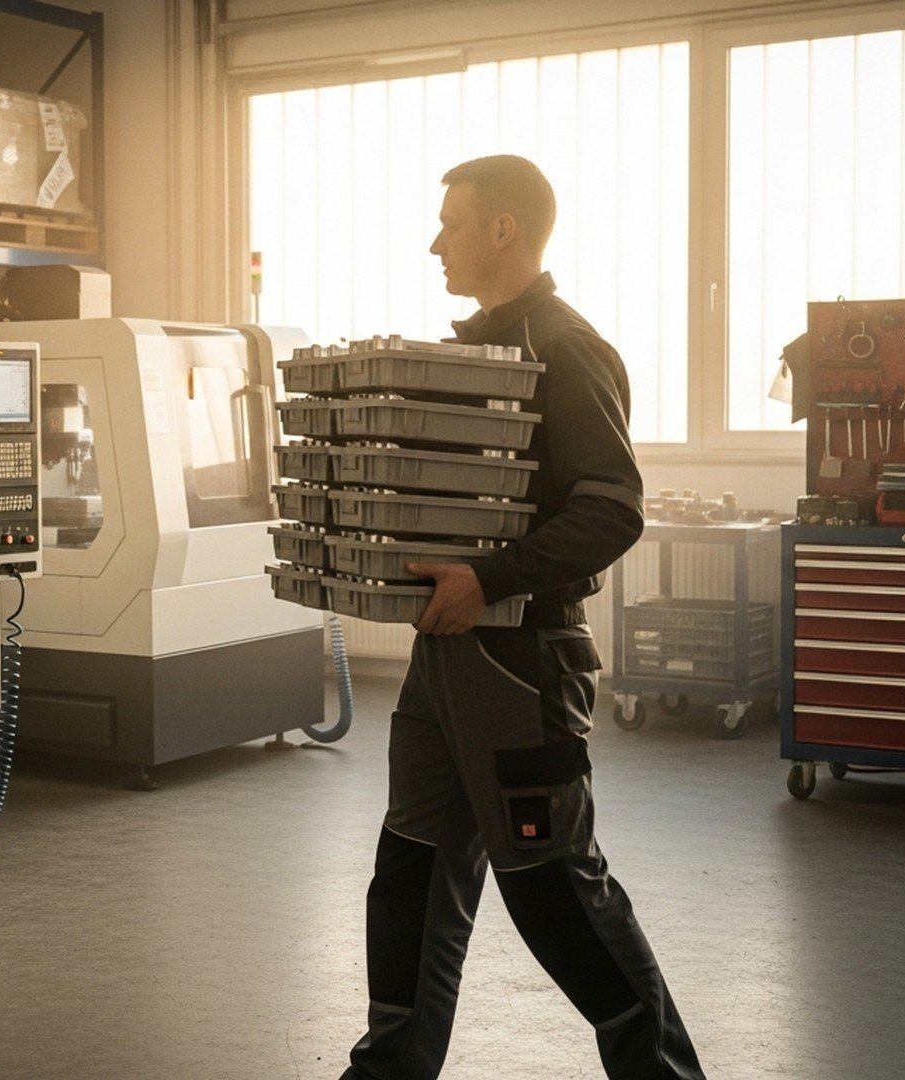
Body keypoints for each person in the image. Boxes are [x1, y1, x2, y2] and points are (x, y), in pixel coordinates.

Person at [340, 155, 704, 1080]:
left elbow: (613, 506)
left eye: (451, 223)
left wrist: (489, 576)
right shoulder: (480, 351)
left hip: (520, 661)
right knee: (413, 867)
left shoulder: (564, 347)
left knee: (551, 891)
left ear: (503, 229)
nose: (436, 242)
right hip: (445, 655)